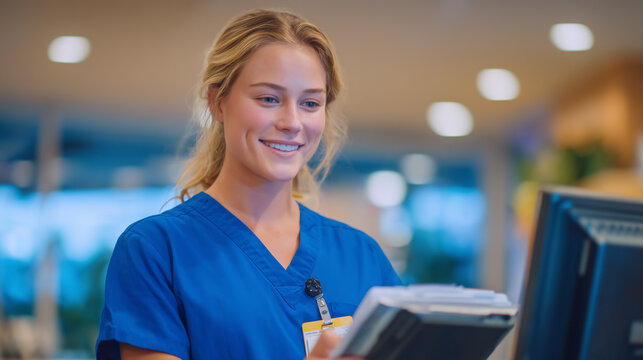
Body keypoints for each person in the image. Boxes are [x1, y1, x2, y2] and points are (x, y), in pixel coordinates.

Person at [96, 9, 400, 360]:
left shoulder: (362, 256)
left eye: (310, 103)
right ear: (217, 103)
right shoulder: (155, 251)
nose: (292, 122)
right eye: (269, 99)